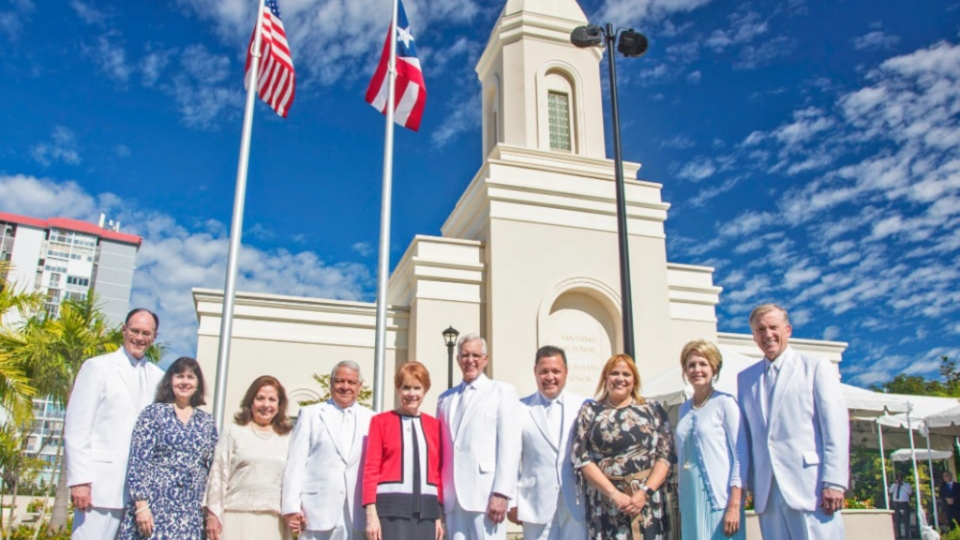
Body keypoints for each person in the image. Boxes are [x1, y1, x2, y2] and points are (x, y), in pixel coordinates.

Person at [737, 303, 849, 540]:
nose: (767, 334)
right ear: (754, 336)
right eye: (760, 330)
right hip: (768, 491)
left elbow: (835, 428)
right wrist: (746, 484)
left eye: (773, 327)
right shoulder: (745, 379)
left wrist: (835, 481)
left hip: (812, 486)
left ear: (788, 330)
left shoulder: (815, 367)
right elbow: (747, 436)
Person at [64, 308, 165, 540]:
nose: (139, 338)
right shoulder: (97, 367)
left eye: (146, 333)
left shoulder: (159, 377)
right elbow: (77, 428)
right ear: (124, 330)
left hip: (139, 496)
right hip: (99, 488)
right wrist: (80, 481)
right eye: (135, 331)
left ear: (154, 337)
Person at [571, 353, 675, 540]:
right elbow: (582, 458)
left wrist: (644, 493)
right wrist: (614, 494)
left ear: (634, 380)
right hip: (605, 503)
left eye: (626, 374)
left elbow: (665, 456)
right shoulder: (590, 411)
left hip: (647, 502)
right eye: (614, 373)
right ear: (605, 378)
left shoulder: (652, 409)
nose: (620, 379)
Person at [117, 356, 218, 540]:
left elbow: (212, 468)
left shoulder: (207, 422)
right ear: (170, 381)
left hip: (191, 512)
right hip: (155, 507)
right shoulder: (153, 414)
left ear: (198, 384)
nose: (185, 382)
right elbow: (139, 461)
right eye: (180, 376)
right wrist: (141, 506)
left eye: (190, 377)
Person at [436, 333, 521, 540]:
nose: (470, 360)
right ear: (458, 360)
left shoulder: (503, 392)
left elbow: (510, 447)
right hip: (452, 498)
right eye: (465, 355)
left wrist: (502, 493)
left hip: (486, 495)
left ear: (485, 359)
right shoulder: (445, 399)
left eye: (475, 355)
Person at [282, 360, 375, 540]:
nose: (345, 386)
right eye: (340, 381)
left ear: (360, 386)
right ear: (331, 383)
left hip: (356, 512)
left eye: (351, 382)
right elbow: (296, 462)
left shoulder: (372, 418)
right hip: (316, 510)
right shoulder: (310, 414)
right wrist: (291, 507)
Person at [510, 345, 588, 540]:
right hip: (535, 504)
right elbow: (509, 458)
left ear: (566, 373)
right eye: (544, 371)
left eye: (555, 371)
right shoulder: (519, 408)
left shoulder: (584, 406)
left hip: (575, 503)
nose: (549, 377)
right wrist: (511, 500)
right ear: (535, 372)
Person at [674, 340, 747, 540]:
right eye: (691, 365)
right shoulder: (683, 409)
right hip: (690, 498)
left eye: (703, 364)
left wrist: (734, 505)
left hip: (719, 500)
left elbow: (740, 456)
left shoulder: (725, 403)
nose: (697, 369)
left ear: (714, 368)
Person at [205, 376, 294, 540]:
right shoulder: (234, 431)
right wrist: (213, 515)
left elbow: (294, 480)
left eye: (272, 400)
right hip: (236, 517)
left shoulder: (288, 438)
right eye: (260, 398)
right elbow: (218, 475)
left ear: (279, 405)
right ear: (251, 401)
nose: (266, 405)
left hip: (273, 522)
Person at [362, 361, 444, 540]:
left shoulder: (434, 425)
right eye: (406, 387)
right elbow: (371, 469)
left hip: (426, 513)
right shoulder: (381, 422)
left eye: (417, 388)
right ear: (398, 389)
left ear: (425, 390)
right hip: (390, 511)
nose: (412, 394)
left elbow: (436, 472)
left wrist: (438, 515)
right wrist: (371, 513)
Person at [889, 475, 911, 539]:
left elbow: (909, 492)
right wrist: (895, 484)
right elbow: (890, 491)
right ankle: (899, 536)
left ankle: (907, 536)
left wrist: (902, 485)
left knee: (906, 521)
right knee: (897, 520)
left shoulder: (906, 485)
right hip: (897, 504)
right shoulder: (894, 485)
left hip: (904, 504)